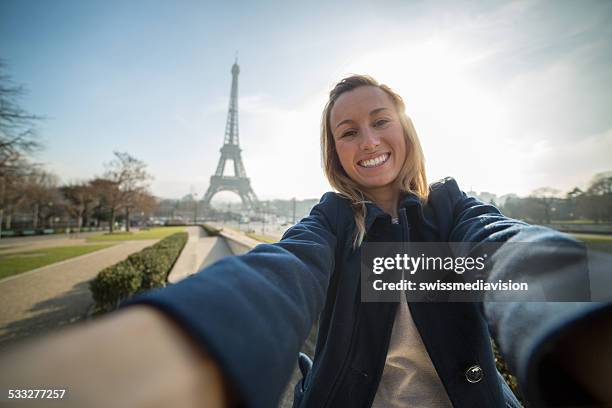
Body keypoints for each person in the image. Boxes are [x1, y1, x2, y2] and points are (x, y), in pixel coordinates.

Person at [1, 75, 611, 408]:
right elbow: (280, 270)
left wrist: (584, 317)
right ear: (335, 150)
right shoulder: (331, 222)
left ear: (406, 130)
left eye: (380, 121)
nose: (367, 138)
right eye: (348, 130)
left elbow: (506, 250)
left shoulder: (453, 210)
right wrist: (163, 345)